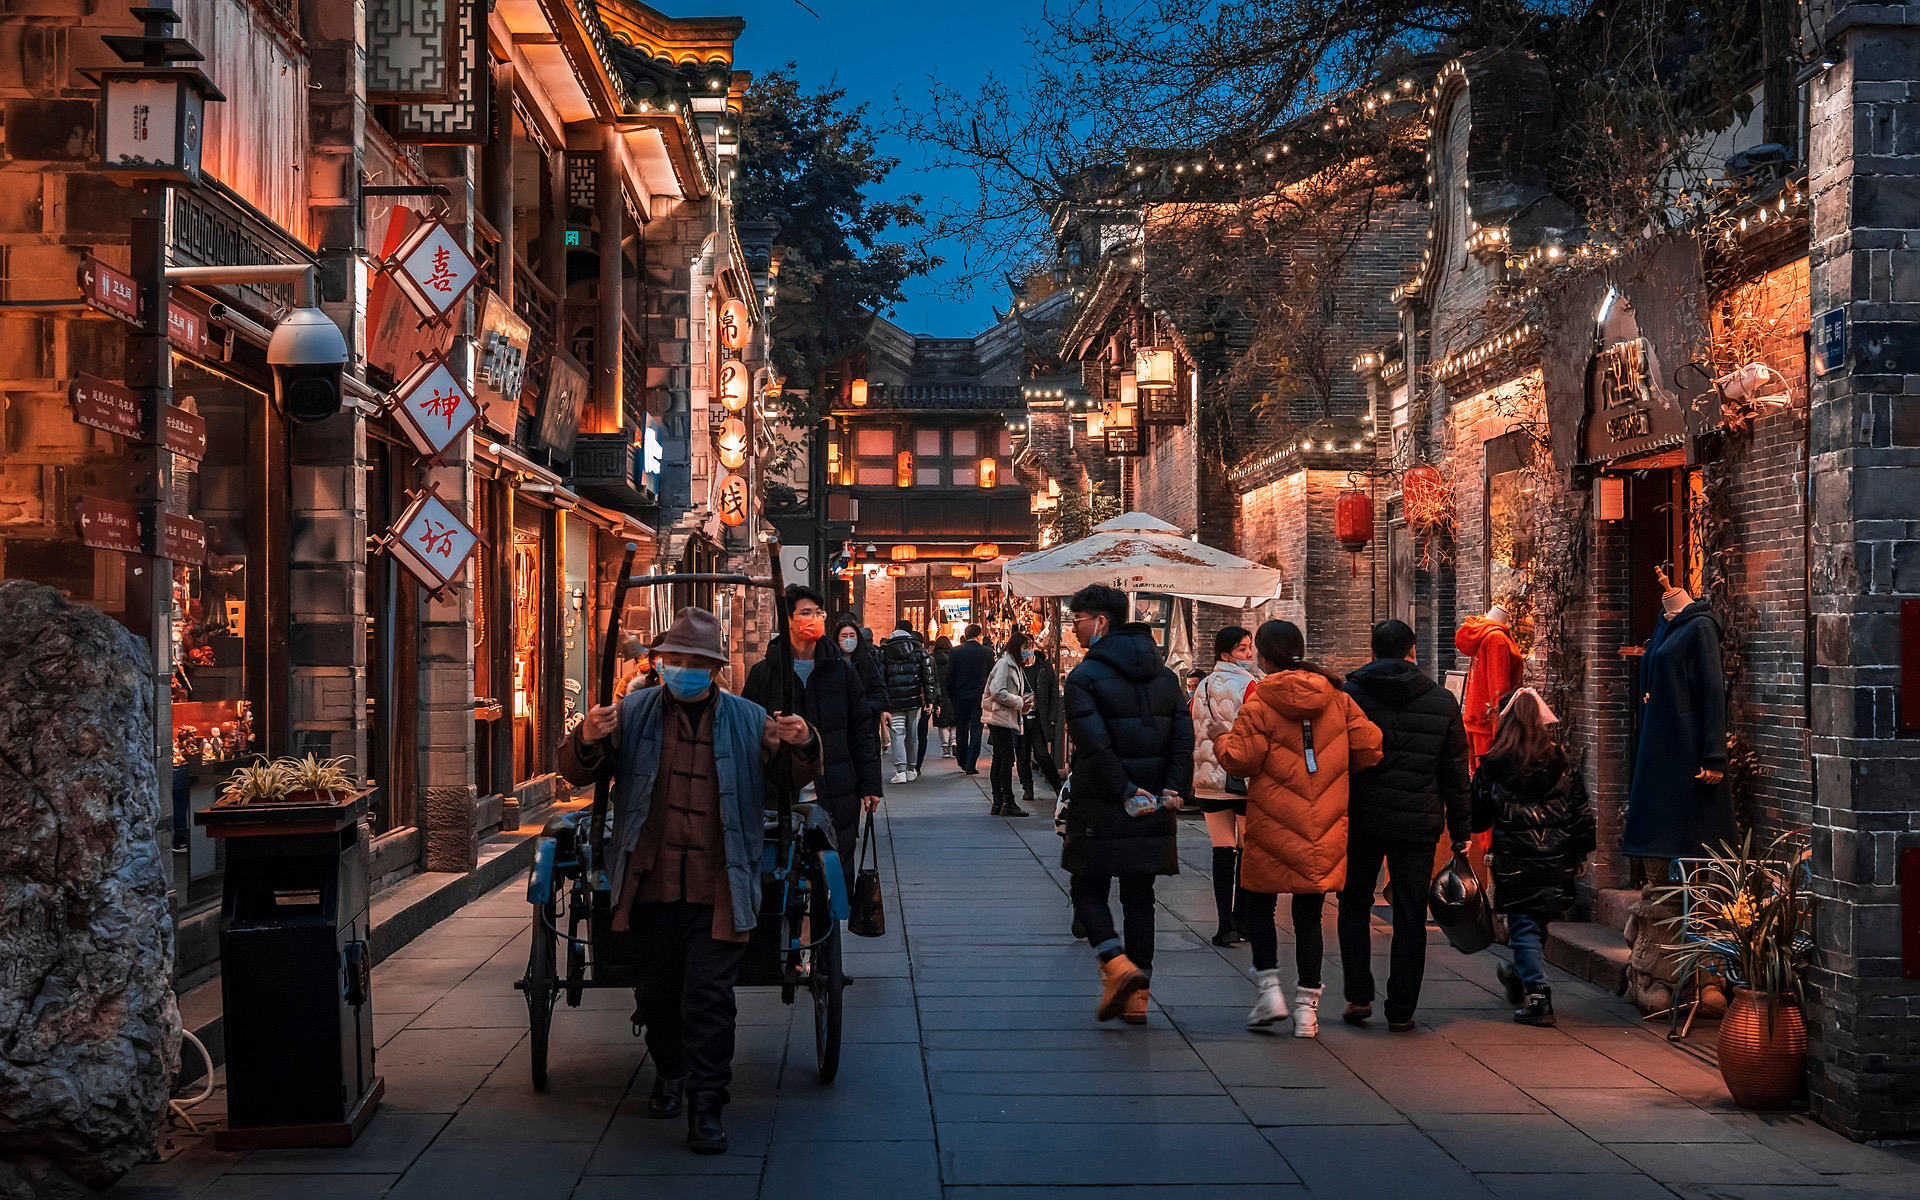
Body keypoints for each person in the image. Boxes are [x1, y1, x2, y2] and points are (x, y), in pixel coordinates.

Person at [558, 607, 817, 1154]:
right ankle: (670, 1069)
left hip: (720, 880)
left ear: (716, 668)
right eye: (673, 660)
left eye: (695, 662)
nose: (683, 669)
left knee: (709, 997)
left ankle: (706, 1103)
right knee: (655, 991)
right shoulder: (633, 711)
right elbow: (579, 770)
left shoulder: (749, 719)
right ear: (658, 664)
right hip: (650, 881)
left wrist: (802, 741)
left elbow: (789, 778)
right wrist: (586, 735)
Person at [1212, 621, 1381, 1037]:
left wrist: (1221, 739)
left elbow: (1241, 760)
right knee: (1309, 915)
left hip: (1270, 821)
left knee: (1261, 907)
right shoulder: (1338, 699)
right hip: (1323, 824)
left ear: (1265, 657)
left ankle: (1269, 993)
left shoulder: (1259, 703)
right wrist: (1335, 768)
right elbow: (1371, 746)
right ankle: (1308, 1011)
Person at [1059, 584, 1191, 1026]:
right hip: (1154, 802)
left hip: (1102, 801)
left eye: (1078, 619)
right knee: (1140, 897)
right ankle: (1139, 1001)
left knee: (1086, 886)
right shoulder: (1166, 677)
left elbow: (1094, 744)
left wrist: (1124, 789)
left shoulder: (1084, 678)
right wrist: (1172, 787)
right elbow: (1182, 739)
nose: (1074, 629)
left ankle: (1116, 964)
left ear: (1102, 622)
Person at [1337, 619, 1472, 1032]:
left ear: (1373, 651)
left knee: (1354, 902)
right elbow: (1454, 771)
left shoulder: (1349, 696)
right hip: (1418, 820)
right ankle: (1402, 1009)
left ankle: (1359, 994)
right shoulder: (1441, 700)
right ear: (1413, 651)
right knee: (1411, 911)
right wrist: (1462, 830)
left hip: (1360, 815)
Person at [743, 586, 883, 893]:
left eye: (818, 614)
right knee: (781, 881)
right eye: (806, 613)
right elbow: (747, 735)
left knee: (833, 878)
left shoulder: (841, 672)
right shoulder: (764, 674)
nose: (814, 619)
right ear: (788, 620)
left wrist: (870, 784)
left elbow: (860, 731)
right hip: (779, 793)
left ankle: (827, 937)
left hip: (833, 788)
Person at [1473, 687, 1594, 1027]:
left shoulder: (1494, 765)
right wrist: (1581, 850)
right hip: (1555, 856)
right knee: (1535, 921)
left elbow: (1479, 817)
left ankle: (1538, 996)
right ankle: (1518, 973)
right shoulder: (1560, 762)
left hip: (1514, 857)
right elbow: (1581, 810)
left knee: (1524, 924)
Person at [1189, 625, 1261, 946]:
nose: (1250, 654)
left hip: (1208, 779)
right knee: (1246, 850)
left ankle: (1224, 924)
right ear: (1226, 653)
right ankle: (1243, 920)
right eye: (1243, 649)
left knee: (1221, 850)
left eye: (1250, 647)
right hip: (1243, 778)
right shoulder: (1251, 686)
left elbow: (1194, 722)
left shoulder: (1201, 686)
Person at [983, 628, 1035, 816]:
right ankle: (1007, 800)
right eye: (1024, 647)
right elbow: (997, 691)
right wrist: (1019, 701)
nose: (1027, 651)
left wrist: (1023, 703)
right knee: (1005, 759)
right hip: (1000, 718)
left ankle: (999, 801)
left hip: (1006, 717)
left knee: (1000, 758)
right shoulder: (1005, 664)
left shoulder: (1014, 665)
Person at [880, 619, 934, 784]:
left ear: (895, 630)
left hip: (894, 700)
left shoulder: (885, 650)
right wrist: (930, 700)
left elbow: (881, 678)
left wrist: (883, 700)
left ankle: (900, 770)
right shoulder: (918, 649)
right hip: (914, 699)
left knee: (897, 734)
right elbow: (928, 676)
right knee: (913, 735)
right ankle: (912, 769)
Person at [945, 624, 993, 775]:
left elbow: (950, 676)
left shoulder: (956, 651)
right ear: (979, 635)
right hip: (979, 696)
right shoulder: (987, 652)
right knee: (976, 729)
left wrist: (951, 694)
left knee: (961, 728)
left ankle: (962, 759)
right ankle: (971, 763)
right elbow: (992, 675)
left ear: (965, 635)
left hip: (960, 696)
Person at [831, 612, 888, 722]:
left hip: (865, 719)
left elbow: (879, 688)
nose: (848, 640)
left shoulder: (866, 660)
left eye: (852, 636)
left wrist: (867, 707)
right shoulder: (830, 662)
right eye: (844, 636)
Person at [1024, 643, 1064, 793]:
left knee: (1041, 754)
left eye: (1027, 647)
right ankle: (1027, 787)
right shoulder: (1015, 667)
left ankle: (1056, 785)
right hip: (1020, 718)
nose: (1025, 651)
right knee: (1022, 755)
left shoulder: (1044, 667)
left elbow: (1053, 692)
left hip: (1039, 718)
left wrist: (1053, 716)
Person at [930, 635, 956, 758]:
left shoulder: (932, 659)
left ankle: (945, 747)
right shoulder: (954, 658)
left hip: (938, 692)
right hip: (952, 691)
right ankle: (955, 741)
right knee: (954, 720)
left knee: (942, 721)